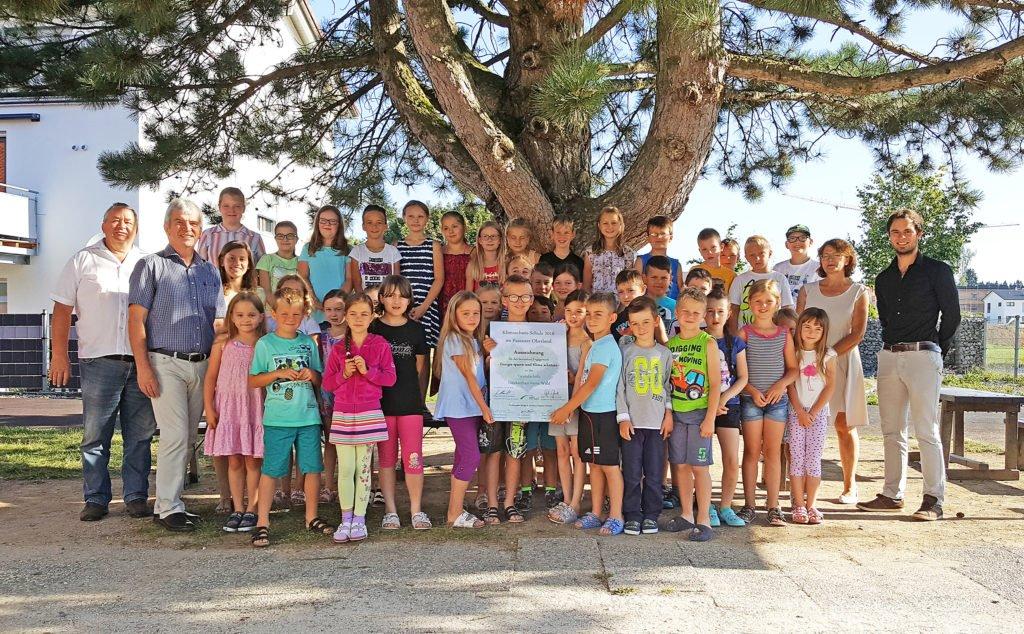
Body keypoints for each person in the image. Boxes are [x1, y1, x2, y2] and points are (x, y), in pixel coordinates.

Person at [49, 202, 156, 522]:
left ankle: (136, 496)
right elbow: (61, 311)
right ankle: (96, 498)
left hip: (141, 362)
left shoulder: (146, 262)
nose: (121, 226)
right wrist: (59, 354)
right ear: (104, 224)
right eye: (115, 220)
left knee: (140, 435)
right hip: (99, 360)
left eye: (127, 221)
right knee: (95, 436)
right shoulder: (83, 260)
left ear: (135, 228)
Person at [128, 198, 225, 533]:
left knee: (184, 438)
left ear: (201, 229)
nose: (187, 228)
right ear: (167, 226)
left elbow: (219, 322)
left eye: (194, 223)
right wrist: (143, 367)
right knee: (174, 435)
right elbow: (136, 320)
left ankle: (169, 504)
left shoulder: (209, 270)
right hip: (164, 362)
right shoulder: (150, 266)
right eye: (180, 222)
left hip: (201, 365)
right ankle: (169, 507)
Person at [858, 209, 960, 521]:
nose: (901, 237)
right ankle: (892, 494)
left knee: (926, 429)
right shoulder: (884, 278)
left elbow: (952, 316)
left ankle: (933, 500)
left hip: (924, 356)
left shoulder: (938, 271)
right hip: (889, 358)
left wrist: (934, 350)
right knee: (891, 430)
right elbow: (886, 319)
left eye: (907, 231)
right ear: (889, 236)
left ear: (918, 233)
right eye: (895, 232)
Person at [248, 287, 332, 547]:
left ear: (304, 314)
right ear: (274, 314)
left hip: (307, 417)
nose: (290, 318)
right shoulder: (266, 344)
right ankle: (262, 521)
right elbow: (253, 380)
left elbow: (320, 378)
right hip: (278, 419)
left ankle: (311, 516)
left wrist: (311, 375)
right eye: (284, 313)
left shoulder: (308, 343)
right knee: (272, 469)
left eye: (296, 314)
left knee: (313, 468)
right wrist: (278, 374)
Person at [798, 238, 869, 505]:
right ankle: (801, 484)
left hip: (842, 362)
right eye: (825, 255)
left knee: (843, 424)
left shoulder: (859, 291)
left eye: (837, 255)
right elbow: (800, 326)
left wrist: (829, 353)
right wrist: (809, 356)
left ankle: (850, 486)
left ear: (848, 259)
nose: (830, 260)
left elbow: (858, 332)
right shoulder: (808, 290)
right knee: (804, 421)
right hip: (808, 363)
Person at [322, 291, 397, 543]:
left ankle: (360, 519)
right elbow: (328, 383)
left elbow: (390, 378)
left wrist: (369, 371)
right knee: (346, 468)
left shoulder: (380, 344)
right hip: (343, 413)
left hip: (368, 412)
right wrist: (344, 373)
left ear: (373, 315)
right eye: (353, 313)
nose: (358, 318)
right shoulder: (337, 348)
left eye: (364, 314)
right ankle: (346, 519)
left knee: (363, 468)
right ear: (345, 316)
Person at [550, 292, 625, 536]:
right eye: (589, 314)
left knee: (610, 467)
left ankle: (616, 515)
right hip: (590, 413)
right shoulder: (596, 344)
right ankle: (595, 512)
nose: (592, 319)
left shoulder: (605, 347)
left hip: (604, 414)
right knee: (594, 464)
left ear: (612, 318)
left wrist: (567, 408)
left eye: (598, 315)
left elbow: (591, 383)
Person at [370, 275, 432, 530]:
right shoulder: (374, 329)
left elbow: (420, 368)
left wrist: (419, 400)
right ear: (381, 298)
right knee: (386, 459)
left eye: (402, 295)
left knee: (413, 458)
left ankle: (416, 510)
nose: (396, 301)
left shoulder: (417, 330)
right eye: (390, 295)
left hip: (409, 406)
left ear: (409, 299)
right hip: (382, 406)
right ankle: (391, 511)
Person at [202, 291, 266, 533]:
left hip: (254, 407)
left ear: (261, 317)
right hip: (229, 409)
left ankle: (253, 508)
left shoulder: (265, 343)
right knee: (234, 460)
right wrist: (209, 408)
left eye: (251, 314)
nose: (245, 319)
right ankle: (237, 507)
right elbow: (210, 378)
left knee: (253, 461)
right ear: (231, 316)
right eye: (239, 314)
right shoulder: (222, 343)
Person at [737, 279, 798, 527]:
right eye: (758, 301)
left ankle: (773, 506)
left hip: (777, 401)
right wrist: (751, 389)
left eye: (768, 301)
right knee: (752, 451)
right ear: (749, 304)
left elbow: (793, 369)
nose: (763, 306)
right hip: (751, 400)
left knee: (773, 452)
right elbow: (735, 370)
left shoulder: (784, 334)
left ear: (777, 303)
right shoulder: (744, 333)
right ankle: (749, 505)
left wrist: (779, 386)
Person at [479, 275, 538, 524]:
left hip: (522, 402)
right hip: (495, 400)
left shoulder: (540, 333)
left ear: (531, 299)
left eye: (524, 296)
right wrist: (487, 357)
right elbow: (480, 372)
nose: (519, 301)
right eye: (513, 296)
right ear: (504, 300)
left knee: (516, 451)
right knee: (493, 452)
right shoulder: (492, 331)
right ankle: (492, 503)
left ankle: (510, 503)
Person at [665, 288, 721, 541]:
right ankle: (686, 513)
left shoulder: (707, 343)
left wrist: (710, 418)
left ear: (702, 316)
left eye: (695, 313)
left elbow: (716, 384)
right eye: (685, 311)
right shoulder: (670, 346)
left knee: (700, 467)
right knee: (681, 466)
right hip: (677, 414)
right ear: (677, 313)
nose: (689, 316)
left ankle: (704, 518)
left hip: (699, 415)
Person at [434, 291, 493, 528]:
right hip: (460, 407)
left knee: (462, 455)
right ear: (454, 315)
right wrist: (485, 407)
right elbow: (469, 377)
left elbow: (480, 374)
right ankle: (454, 513)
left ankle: (455, 509)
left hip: (471, 407)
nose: (471, 318)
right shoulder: (455, 340)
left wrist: (490, 351)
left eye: (475, 313)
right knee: (471, 456)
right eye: (465, 313)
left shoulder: (474, 341)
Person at [617, 297, 673, 536]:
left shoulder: (664, 353)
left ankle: (651, 514)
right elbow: (619, 386)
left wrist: (669, 414)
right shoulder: (625, 351)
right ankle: (631, 514)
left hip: (657, 423)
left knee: (654, 472)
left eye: (645, 322)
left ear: (656, 321)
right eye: (635, 323)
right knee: (630, 472)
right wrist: (623, 417)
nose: (641, 328)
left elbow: (668, 385)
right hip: (632, 422)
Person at [703, 288, 749, 527]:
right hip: (701, 408)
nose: (715, 316)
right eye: (709, 311)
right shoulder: (697, 340)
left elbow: (742, 377)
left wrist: (723, 399)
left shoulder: (736, 343)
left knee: (731, 459)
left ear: (729, 312)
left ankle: (726, 506)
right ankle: (706, 505)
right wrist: (710, 403)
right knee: (702, 461)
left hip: (728, 406)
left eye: (720, 311)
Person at [787, 308, 836, 525]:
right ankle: (798, 504)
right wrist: (799, 411)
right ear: (799, 328)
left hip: (818, 415)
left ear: (824, 331)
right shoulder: (793, 352)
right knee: (796, 457)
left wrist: (813, 412)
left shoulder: (828, 355)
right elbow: (790, 384)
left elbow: (830, 386)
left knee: (813, 459)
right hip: (796, 413)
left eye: (818, 328)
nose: (812, 331)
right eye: (807, 326)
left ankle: (811, 504)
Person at [547, 290, 591, 525]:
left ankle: (576, 500)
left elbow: (584, 378)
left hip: (574, 403)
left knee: (577, 452)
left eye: (579, 312)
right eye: (569, 311)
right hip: (555, 401)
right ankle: (566, 497)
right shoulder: (557, 335)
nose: (573, 316)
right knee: (561, 451)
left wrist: (573, 385)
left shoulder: (587, 342)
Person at [396, 201, 444, 394]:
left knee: (424, 355)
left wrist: (424, 307)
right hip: (403, 310)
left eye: (420, 216)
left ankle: (421, 403)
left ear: (427, 219)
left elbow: (439, 279)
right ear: (404, 218)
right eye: (411, 216)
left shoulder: (433, 245)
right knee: (404, 354)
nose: (415, 220)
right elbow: (397, 280)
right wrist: (404, 309)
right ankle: (404, 399)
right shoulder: (396, 245)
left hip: (427, 308)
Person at [299, 205, 357, 322]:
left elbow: (350, 279)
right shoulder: (307, 248)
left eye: (333, 221)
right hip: (314, 308)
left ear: (339, 225)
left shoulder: (348, 249)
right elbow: (302, 276)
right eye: (323, 220)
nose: (327, 224)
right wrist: (314, 301)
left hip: (339, 309)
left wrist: (335, 303)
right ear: (317, 223)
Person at [318, 290, 347, 504]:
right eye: (329, 309)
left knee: (354, 442)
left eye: (338, 309)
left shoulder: (355, 334)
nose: (334, 314)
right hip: (328, 394)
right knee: (330, 440)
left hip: (351, 395)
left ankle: (354, 484)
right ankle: (328, 485)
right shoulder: (320, 336)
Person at [729, 235, 794, 328]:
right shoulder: (739, 280)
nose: (757, 258)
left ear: (770, 253)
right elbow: (733, 309)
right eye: (752, 255)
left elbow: (787, 309)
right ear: (746, 257)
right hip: (745, 336)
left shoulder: (780, 278)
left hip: (773, 334)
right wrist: (734, 334)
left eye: (761, 253)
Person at [196, 187, 266, 263]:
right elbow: (200, 267)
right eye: (226, 206)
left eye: (237, 206)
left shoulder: (255, 238)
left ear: (243, 208)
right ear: (219, 207)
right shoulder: (207, 235)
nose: (231, 210)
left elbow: (262, 270)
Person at [583, 206, 635, 294]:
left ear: (620, 225)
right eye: (605, 223)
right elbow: (586, 286)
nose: (610, 226)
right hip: (596, 304)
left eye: (614, 223)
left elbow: (629, 285)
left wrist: (622, 308)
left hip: (620, 304)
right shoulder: (591, 252)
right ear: (599, 225)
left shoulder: (628, 253)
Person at [350, 205, 401, 289]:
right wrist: (364, 302)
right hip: (365, 301)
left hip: (388, 301)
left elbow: (396, 283)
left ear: (386, 226)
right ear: (363, 226)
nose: (374, 226)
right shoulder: (357, 252)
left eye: (379, 222)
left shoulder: (393, 252)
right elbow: (357, 283)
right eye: (369, 222)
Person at [634, 216, 684, 298]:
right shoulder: (640, 261)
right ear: (648, 238)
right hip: (648, 307)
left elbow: (681, 290)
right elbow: (635, 286)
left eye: (663, 234)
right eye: (654, 234)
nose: (659, 237)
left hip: (671, 308)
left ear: (670, 238)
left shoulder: (676, 265)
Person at [773, 224, 820, 304]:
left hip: (809, 315)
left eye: (802, 238)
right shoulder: (778, 268)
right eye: (792, 238)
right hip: (783, 315)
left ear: (811, 242)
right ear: (786, 244)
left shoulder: (819, 268)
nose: (797, 242)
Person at [256, 221, 300, 299]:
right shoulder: (266, 259)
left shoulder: (301, 262)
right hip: (272, 309)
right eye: (280, 236)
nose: (285, 239)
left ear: (296, 239)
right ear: (275, 238)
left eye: (290, 236)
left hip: (296, 309)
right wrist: (278, 309)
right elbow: (266, 291)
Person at [440, 211, 472, 317]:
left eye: (455, 226)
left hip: (467, 301)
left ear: (464, 227)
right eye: (446, 228)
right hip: (442, 304)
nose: (451, 231)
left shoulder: (475, 252)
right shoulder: (438, 252)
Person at [466, 220, 507, 291]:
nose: (489, 239)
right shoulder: (473, 265)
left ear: (500, 240)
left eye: (493, 236)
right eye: (485, 236)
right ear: (480, 240)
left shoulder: (506, 263)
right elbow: (469, 294)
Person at [693, 228, 737, 292]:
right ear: (700, 251)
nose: (709, 252)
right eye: (704, 249)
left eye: (713, 247)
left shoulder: (731, 275)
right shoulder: (695, 271)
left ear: (721, 247)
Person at [642, 255, 676, 334]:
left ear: (670, 279)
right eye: (654, 277)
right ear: (644, 278)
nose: (659, 282)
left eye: (664, 278)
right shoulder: (637, 303)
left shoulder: (677, 306)